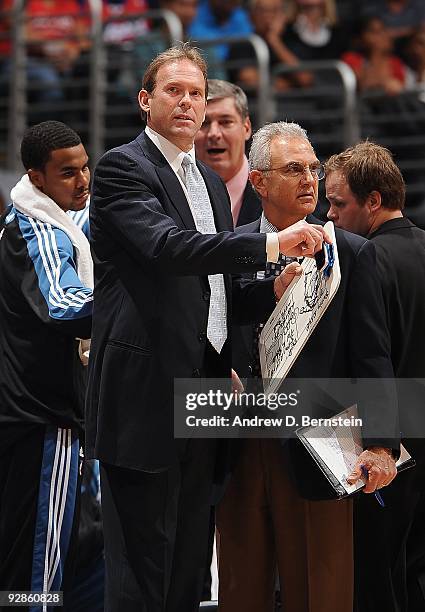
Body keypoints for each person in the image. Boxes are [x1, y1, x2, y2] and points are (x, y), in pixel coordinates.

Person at [84, 43, 329, 612]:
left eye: (196, 92)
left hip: (208, 391)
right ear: (146, 100)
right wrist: (268, 243)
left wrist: (266, 289)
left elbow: (211, 290)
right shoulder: (123, 168)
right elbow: (169, 250)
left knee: (191, 566)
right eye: (174, 90)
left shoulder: (215, 185)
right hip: (146, 392)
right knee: (142, 570)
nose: (188, 102)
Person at [218, 121, 399, 612]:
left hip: (320, 438)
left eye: (314, 169)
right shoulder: (225, 251)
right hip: (236, 435)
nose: (309, 180)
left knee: (321, 588)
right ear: (258, 181)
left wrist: (382, 444)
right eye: (293, 169)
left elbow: (372, 355)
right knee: (239, 586)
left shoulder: (352, 253)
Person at [325, 140, 425, 612]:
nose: (330, 216)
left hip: (395, 449)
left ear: (374, 201)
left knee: (379, 578)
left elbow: (373, 357)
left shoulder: (367, 257)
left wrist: (381, 445)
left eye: (338, 203)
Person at [0, 120, 93, 609]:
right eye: (67, 174)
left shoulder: (40, 216)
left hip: (30, 412)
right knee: (41, 559)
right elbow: (65, 304)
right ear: (36, 177)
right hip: (45, 417)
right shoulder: (37, 227)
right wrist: (135, 305)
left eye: (84, 168)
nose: (82, 182)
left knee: (32, 551)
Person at [194, 79, 262, 227]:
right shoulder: (173, 191)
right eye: (204, 123)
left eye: (225, 122)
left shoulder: (275, 191)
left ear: (246, 128)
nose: (214, 133)